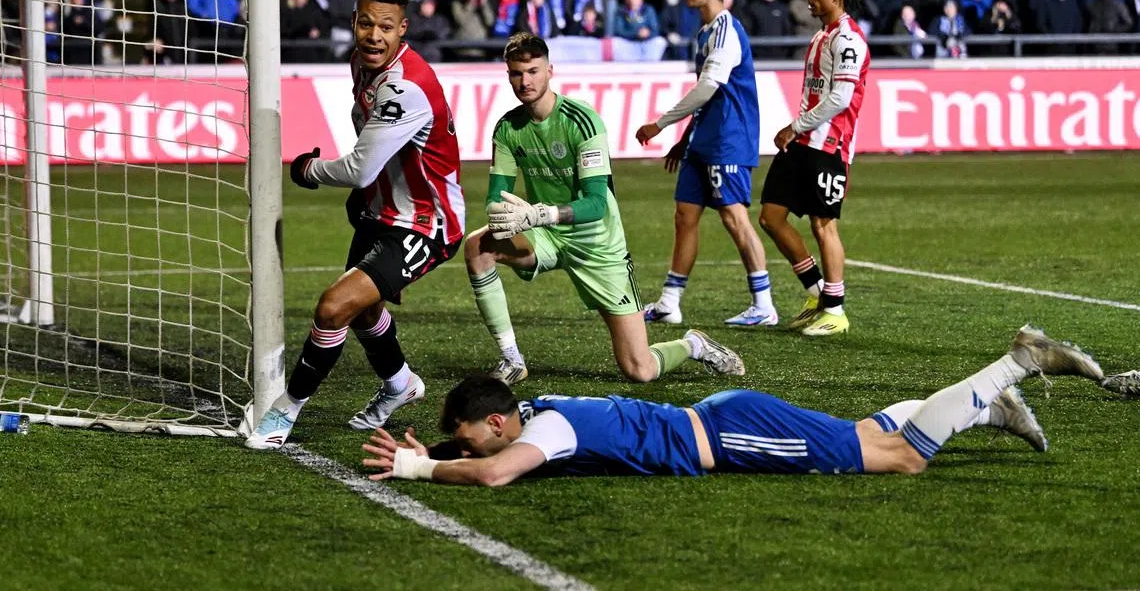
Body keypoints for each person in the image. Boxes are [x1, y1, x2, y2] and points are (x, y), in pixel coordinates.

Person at [360, 326, 1106, 485]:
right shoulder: (538, 406)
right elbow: (489, 450)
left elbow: (499, 473)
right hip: (726, 415)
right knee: (866, 433)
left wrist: (427, 474)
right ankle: (985, 407)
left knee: (901, 459)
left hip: (733, 436)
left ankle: (1016, 361)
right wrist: (438, 449)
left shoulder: (545, 429)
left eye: (473, 438)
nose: (475, 449)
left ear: (500, 423)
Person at [246, 0, 465, 450]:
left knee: (333, 307)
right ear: (353, 22)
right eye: (366, 23)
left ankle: (284, 411)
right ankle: (401, 383)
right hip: (380, 212)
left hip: (427, 223)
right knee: (364, 312)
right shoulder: (361, 65)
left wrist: (310, 171)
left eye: (386, 27)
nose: (374, 35)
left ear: (402, 29)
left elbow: (362, 166)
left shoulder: (406, 87)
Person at [464, 32, 745, 386]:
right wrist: (500, 214)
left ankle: (693, 345)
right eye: (517, 74)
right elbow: (496, 195)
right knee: (477, 246)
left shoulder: (581, 121)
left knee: (639, 369)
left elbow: (597, 204)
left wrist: (538, 214)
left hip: (598, 243)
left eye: (533, 71)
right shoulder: (507, 128)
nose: (526, 81)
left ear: (550, 70)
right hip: (546, 236)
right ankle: (511, 359)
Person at [635, 0, 777, 328]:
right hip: (704, 140)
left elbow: (709, 87)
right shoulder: (706, 32)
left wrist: (662, 124)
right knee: (685, 216)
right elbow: (707, 98)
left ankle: (763, 304)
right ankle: (670, 301)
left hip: (728, 140)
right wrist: (685, 139)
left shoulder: (727, 31)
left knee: (734, 218)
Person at [758, 0, 869, 337]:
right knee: (771, 217)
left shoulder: (849, 40)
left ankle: (835, 312)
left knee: (824, 225)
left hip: (829, 146)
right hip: (803, 141)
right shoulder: (821, 36)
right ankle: (816, 293)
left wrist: (795, 126)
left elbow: (841, 97)